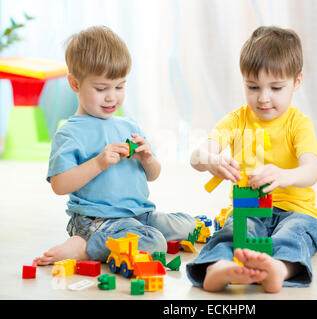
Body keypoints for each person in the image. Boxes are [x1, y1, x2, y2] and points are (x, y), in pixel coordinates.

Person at [34, 26, 196, 265]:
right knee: (155, 242)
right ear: (75, 84)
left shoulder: (129, 125)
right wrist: (98, 163)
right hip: (98, 219)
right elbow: (59, 185)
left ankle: (128, 235)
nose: (112, 97)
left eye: (119, 86)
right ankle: (86, 247)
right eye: (101, 89)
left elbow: (153, 175)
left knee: (188, 225)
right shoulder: (70, 132)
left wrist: (147, 159)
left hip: (140, 214)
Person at [186, 26, 317, 293]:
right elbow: (196, 156)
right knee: (235, 232)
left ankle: (278, 268)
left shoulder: (299, 124)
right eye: (253, 87)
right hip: (249, 206)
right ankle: (216, 267)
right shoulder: (236, 120)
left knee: (297, 233)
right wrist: (210, 160)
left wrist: (284, 175)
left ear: (297, 82)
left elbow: (311, 171)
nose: (263, 98)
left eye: (275, 87)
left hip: (297, 209)